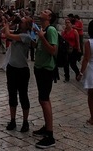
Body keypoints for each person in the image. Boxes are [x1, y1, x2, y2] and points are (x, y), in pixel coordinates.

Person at [32, 9, 58, 149]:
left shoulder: (51, 30)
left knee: (44, 99)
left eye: (46, 11)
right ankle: (46, 127)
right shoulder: (42, 29)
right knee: (42, 99)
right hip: (40, 67)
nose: (43, 11)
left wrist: (42, 37)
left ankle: (50, 135)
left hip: (46, 69)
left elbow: (54, 50)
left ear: (49, 17)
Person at [3, 16, 32, 133]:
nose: (21, 23)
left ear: (27, 26)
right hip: (12, 68)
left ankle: (25, 121)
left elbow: (8, 35)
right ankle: (13, 120)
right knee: (12, 95)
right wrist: (11, 23)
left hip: (22, 70)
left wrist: (7, 26)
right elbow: (3, 32)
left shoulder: (26, 36)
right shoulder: (17, 32)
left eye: (23, 22)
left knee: (23, 96)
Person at [61, 17, 81, 82]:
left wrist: (79, 48)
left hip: (73, 49)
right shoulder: (63, 32)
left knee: (73, 64)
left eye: (68, 22)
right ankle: (67, 77)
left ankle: (77, 73)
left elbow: (77, 41)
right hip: (66, 49)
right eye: (66, 23)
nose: (67, 24)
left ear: (71, 24)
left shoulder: (74, 31)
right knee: (65, 64)